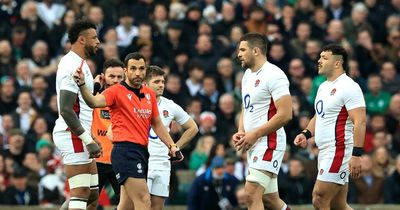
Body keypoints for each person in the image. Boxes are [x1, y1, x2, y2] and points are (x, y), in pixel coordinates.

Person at [73, 52, 182, 209]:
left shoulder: (149, 94)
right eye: (133, 68)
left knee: (126, 205)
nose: (137, 73)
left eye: (141, 68)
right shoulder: (116, 91)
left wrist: (172, 145)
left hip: (142, 151)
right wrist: (83, 85)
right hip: (125, 151)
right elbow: (93, 101)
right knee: (144, 199)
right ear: (126, 71)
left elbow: (157, 123)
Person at [294, 44, 366, 210]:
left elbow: (360, 121)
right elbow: (318, 116)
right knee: (338, 205)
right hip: (325, 150)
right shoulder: (323, 87)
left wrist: (356, 154)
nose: (319, 61)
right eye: (319, 57)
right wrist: (306, 133)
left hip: (339, 149)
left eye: (324, 58)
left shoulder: (350, 86)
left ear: (337, 63)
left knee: (319, 198)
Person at [232, 32, 292, 210]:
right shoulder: (247, 76)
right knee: (270, 201)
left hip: (269, 141)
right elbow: (246, 107)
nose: (239, 54)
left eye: (243, 50)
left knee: (250, 194)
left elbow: (286, 114)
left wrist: (254, 134)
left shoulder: (274, 74)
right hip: (255, 142)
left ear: (256, 50)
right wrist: (241, 130)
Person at [52, 19, 101, 210]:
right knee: (80, 194)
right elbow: (66, 109)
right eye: (94, 37)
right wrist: (87, 139)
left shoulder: (81, 64)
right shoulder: (71, 66)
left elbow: (81, 101)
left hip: (79, 133)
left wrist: (96, 87)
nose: (98, 41)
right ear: (81, 40)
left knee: (92, 194)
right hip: (73, 134)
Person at [145, 65, 198, 210]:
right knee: (140, 205)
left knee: (157, 207)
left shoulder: (170, 105)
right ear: (145, 83)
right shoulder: (136, 103)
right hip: (143, 161)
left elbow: (193, 128)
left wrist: (176, 147)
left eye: (162, 81)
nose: (161, 85)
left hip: (163, 163)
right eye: (156, 82)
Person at [91, 59, 125, 203]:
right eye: (112, 76)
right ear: (103, 77)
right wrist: (94, 87)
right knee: (89, 203)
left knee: (128, 202)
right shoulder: (92, 98)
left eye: (119, 77)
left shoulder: (129, 101)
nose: (116, 80)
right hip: (96, 160)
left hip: (120, 160)